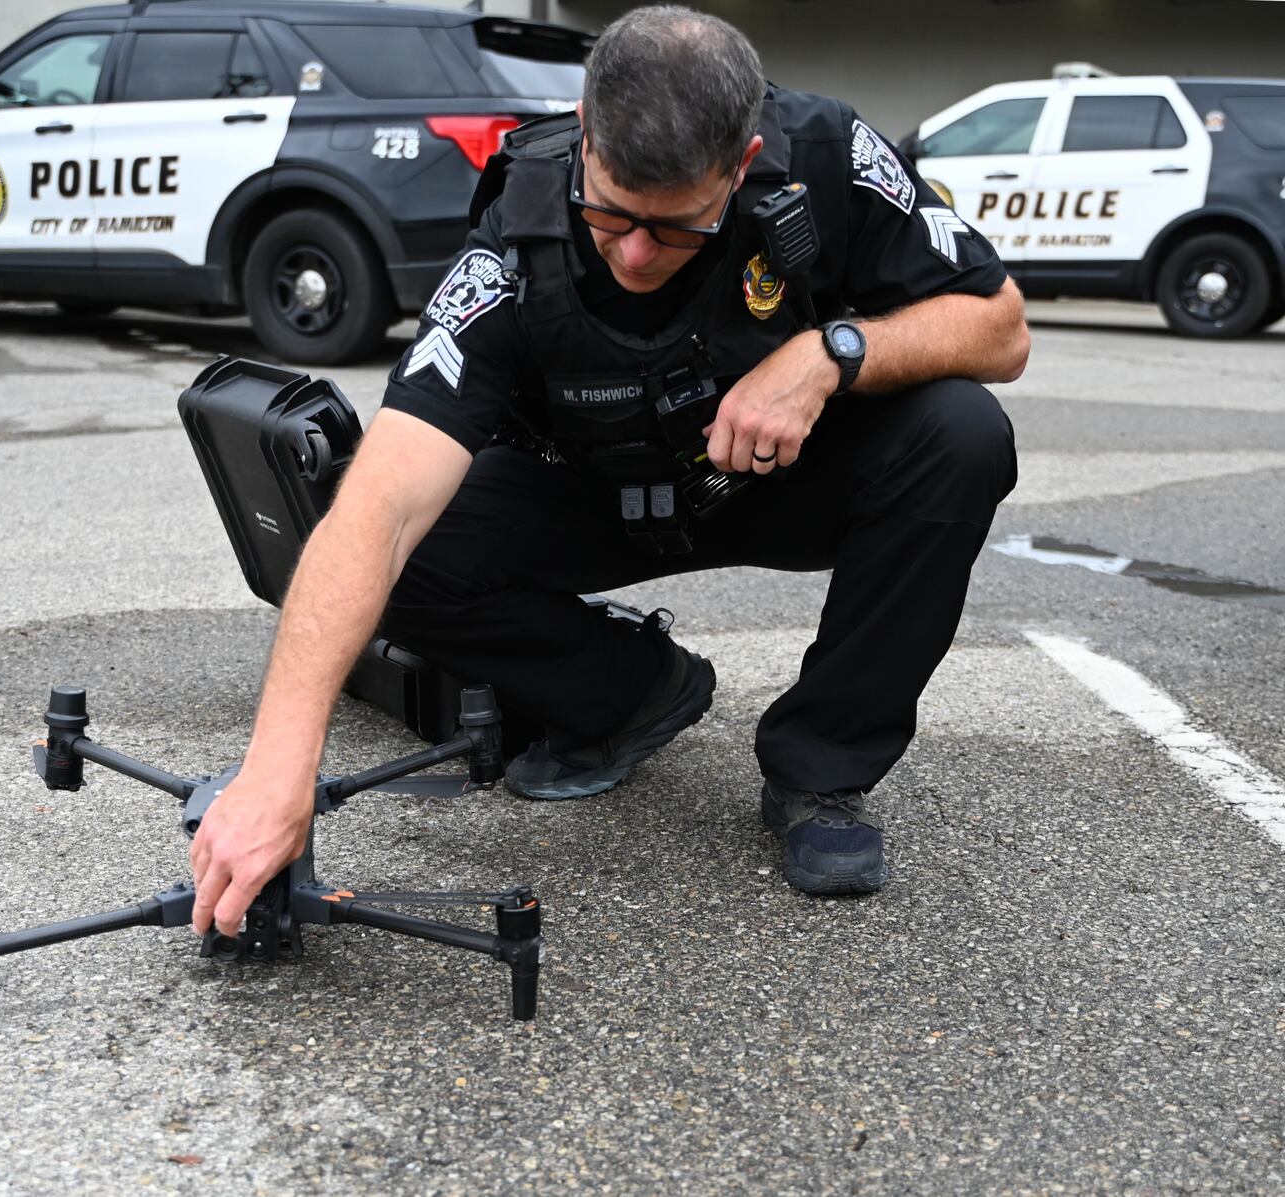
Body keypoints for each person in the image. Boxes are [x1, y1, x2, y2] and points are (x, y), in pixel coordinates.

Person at [190, 5, 1028, 934]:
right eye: (612, 212)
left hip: (772, 473)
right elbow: (382, 501)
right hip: (588, 487)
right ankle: (629, 692)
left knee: (961, 433)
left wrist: (830, 352)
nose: (633, 252)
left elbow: (1000, 325)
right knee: (384, 545)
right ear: (586, 135)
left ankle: (819, 770)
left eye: (673, 230)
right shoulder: (516, 237)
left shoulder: (830, 157)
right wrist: (277, 767)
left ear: (742, 165)